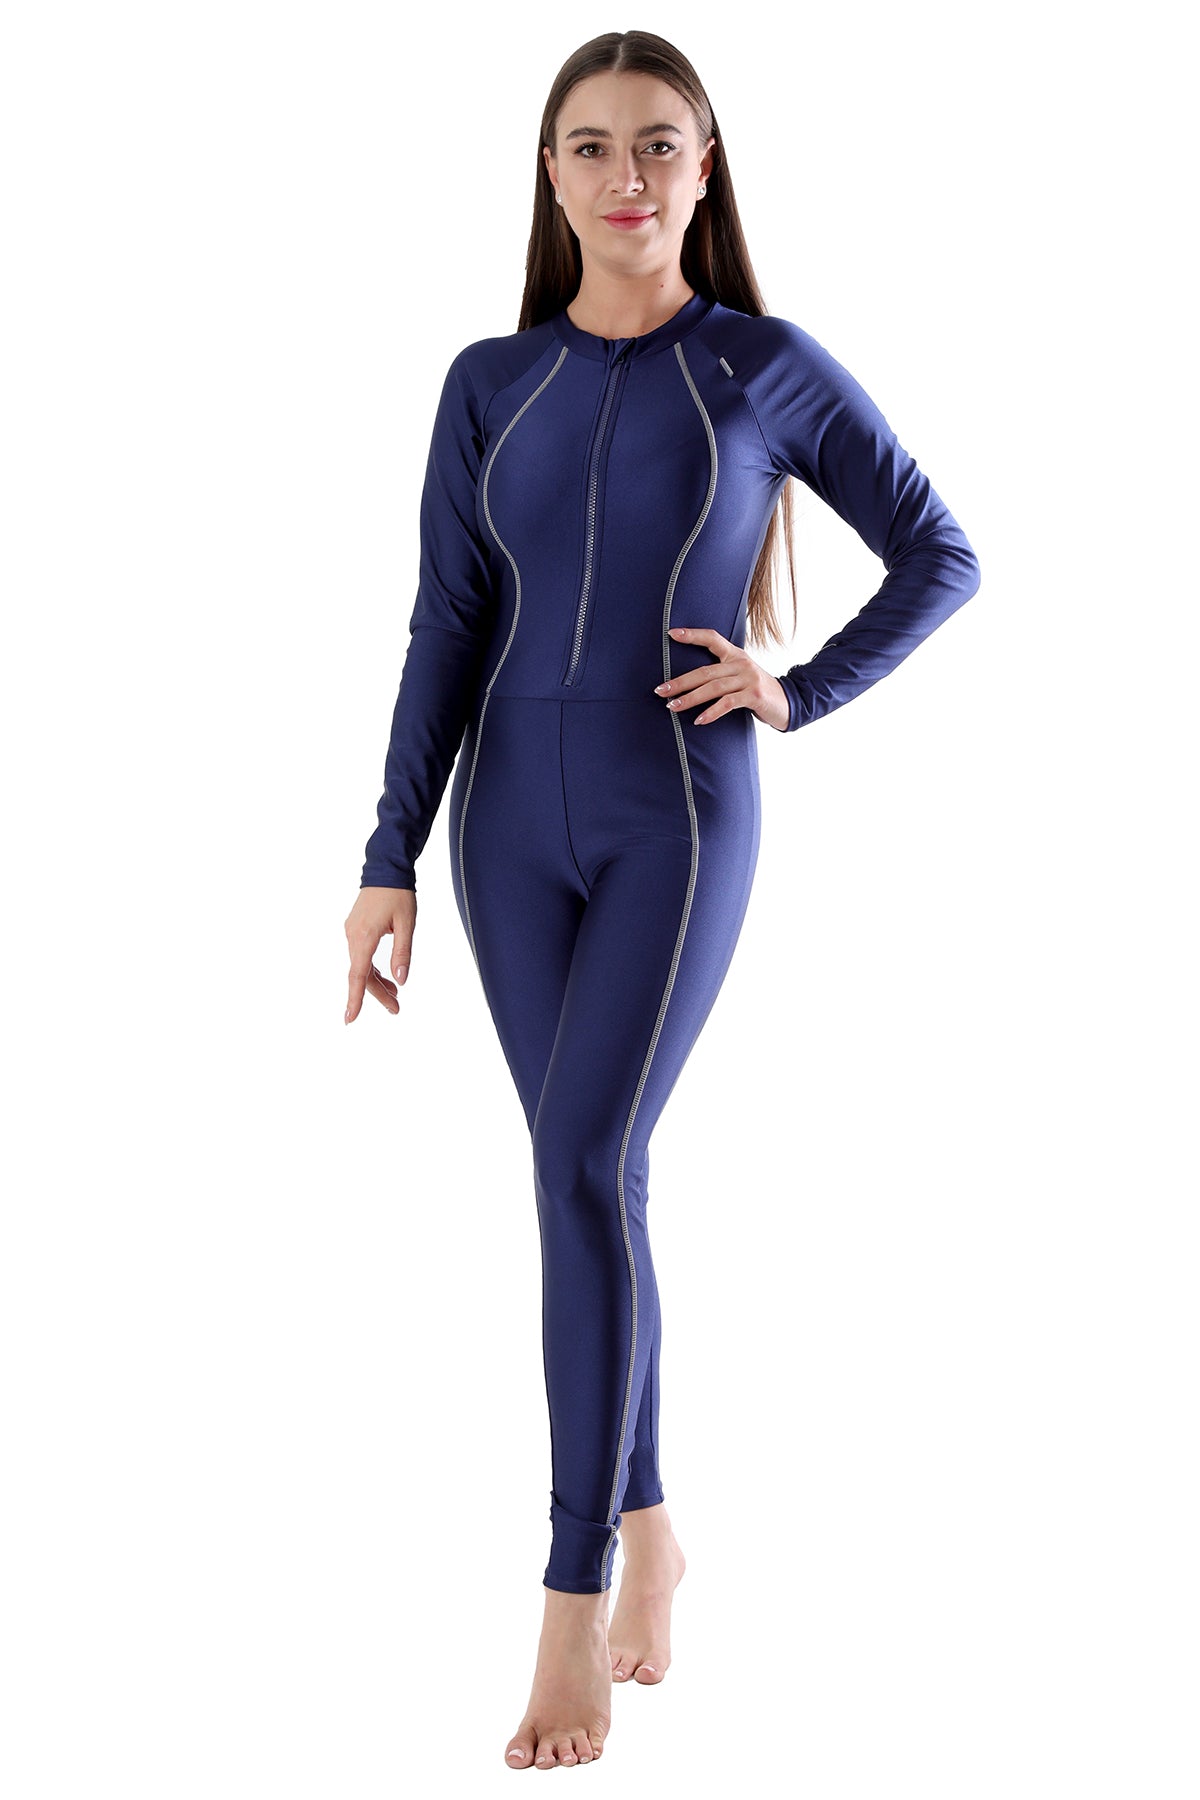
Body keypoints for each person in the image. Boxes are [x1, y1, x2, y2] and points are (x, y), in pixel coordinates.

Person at [344, 28, 981, 1771]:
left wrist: (798, 688)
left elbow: (943, 551)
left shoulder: (761, 366)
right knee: (588, 1181)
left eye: (658, 143)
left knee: (579, 1166)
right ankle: (654, 1528)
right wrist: (388, 854)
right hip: (502, 829)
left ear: (706, 169)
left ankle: (570, 1598)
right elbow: (446, 622)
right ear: (549, 177)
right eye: (590, 145)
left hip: (674, 817)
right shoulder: (489, 380)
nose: (625, 174)